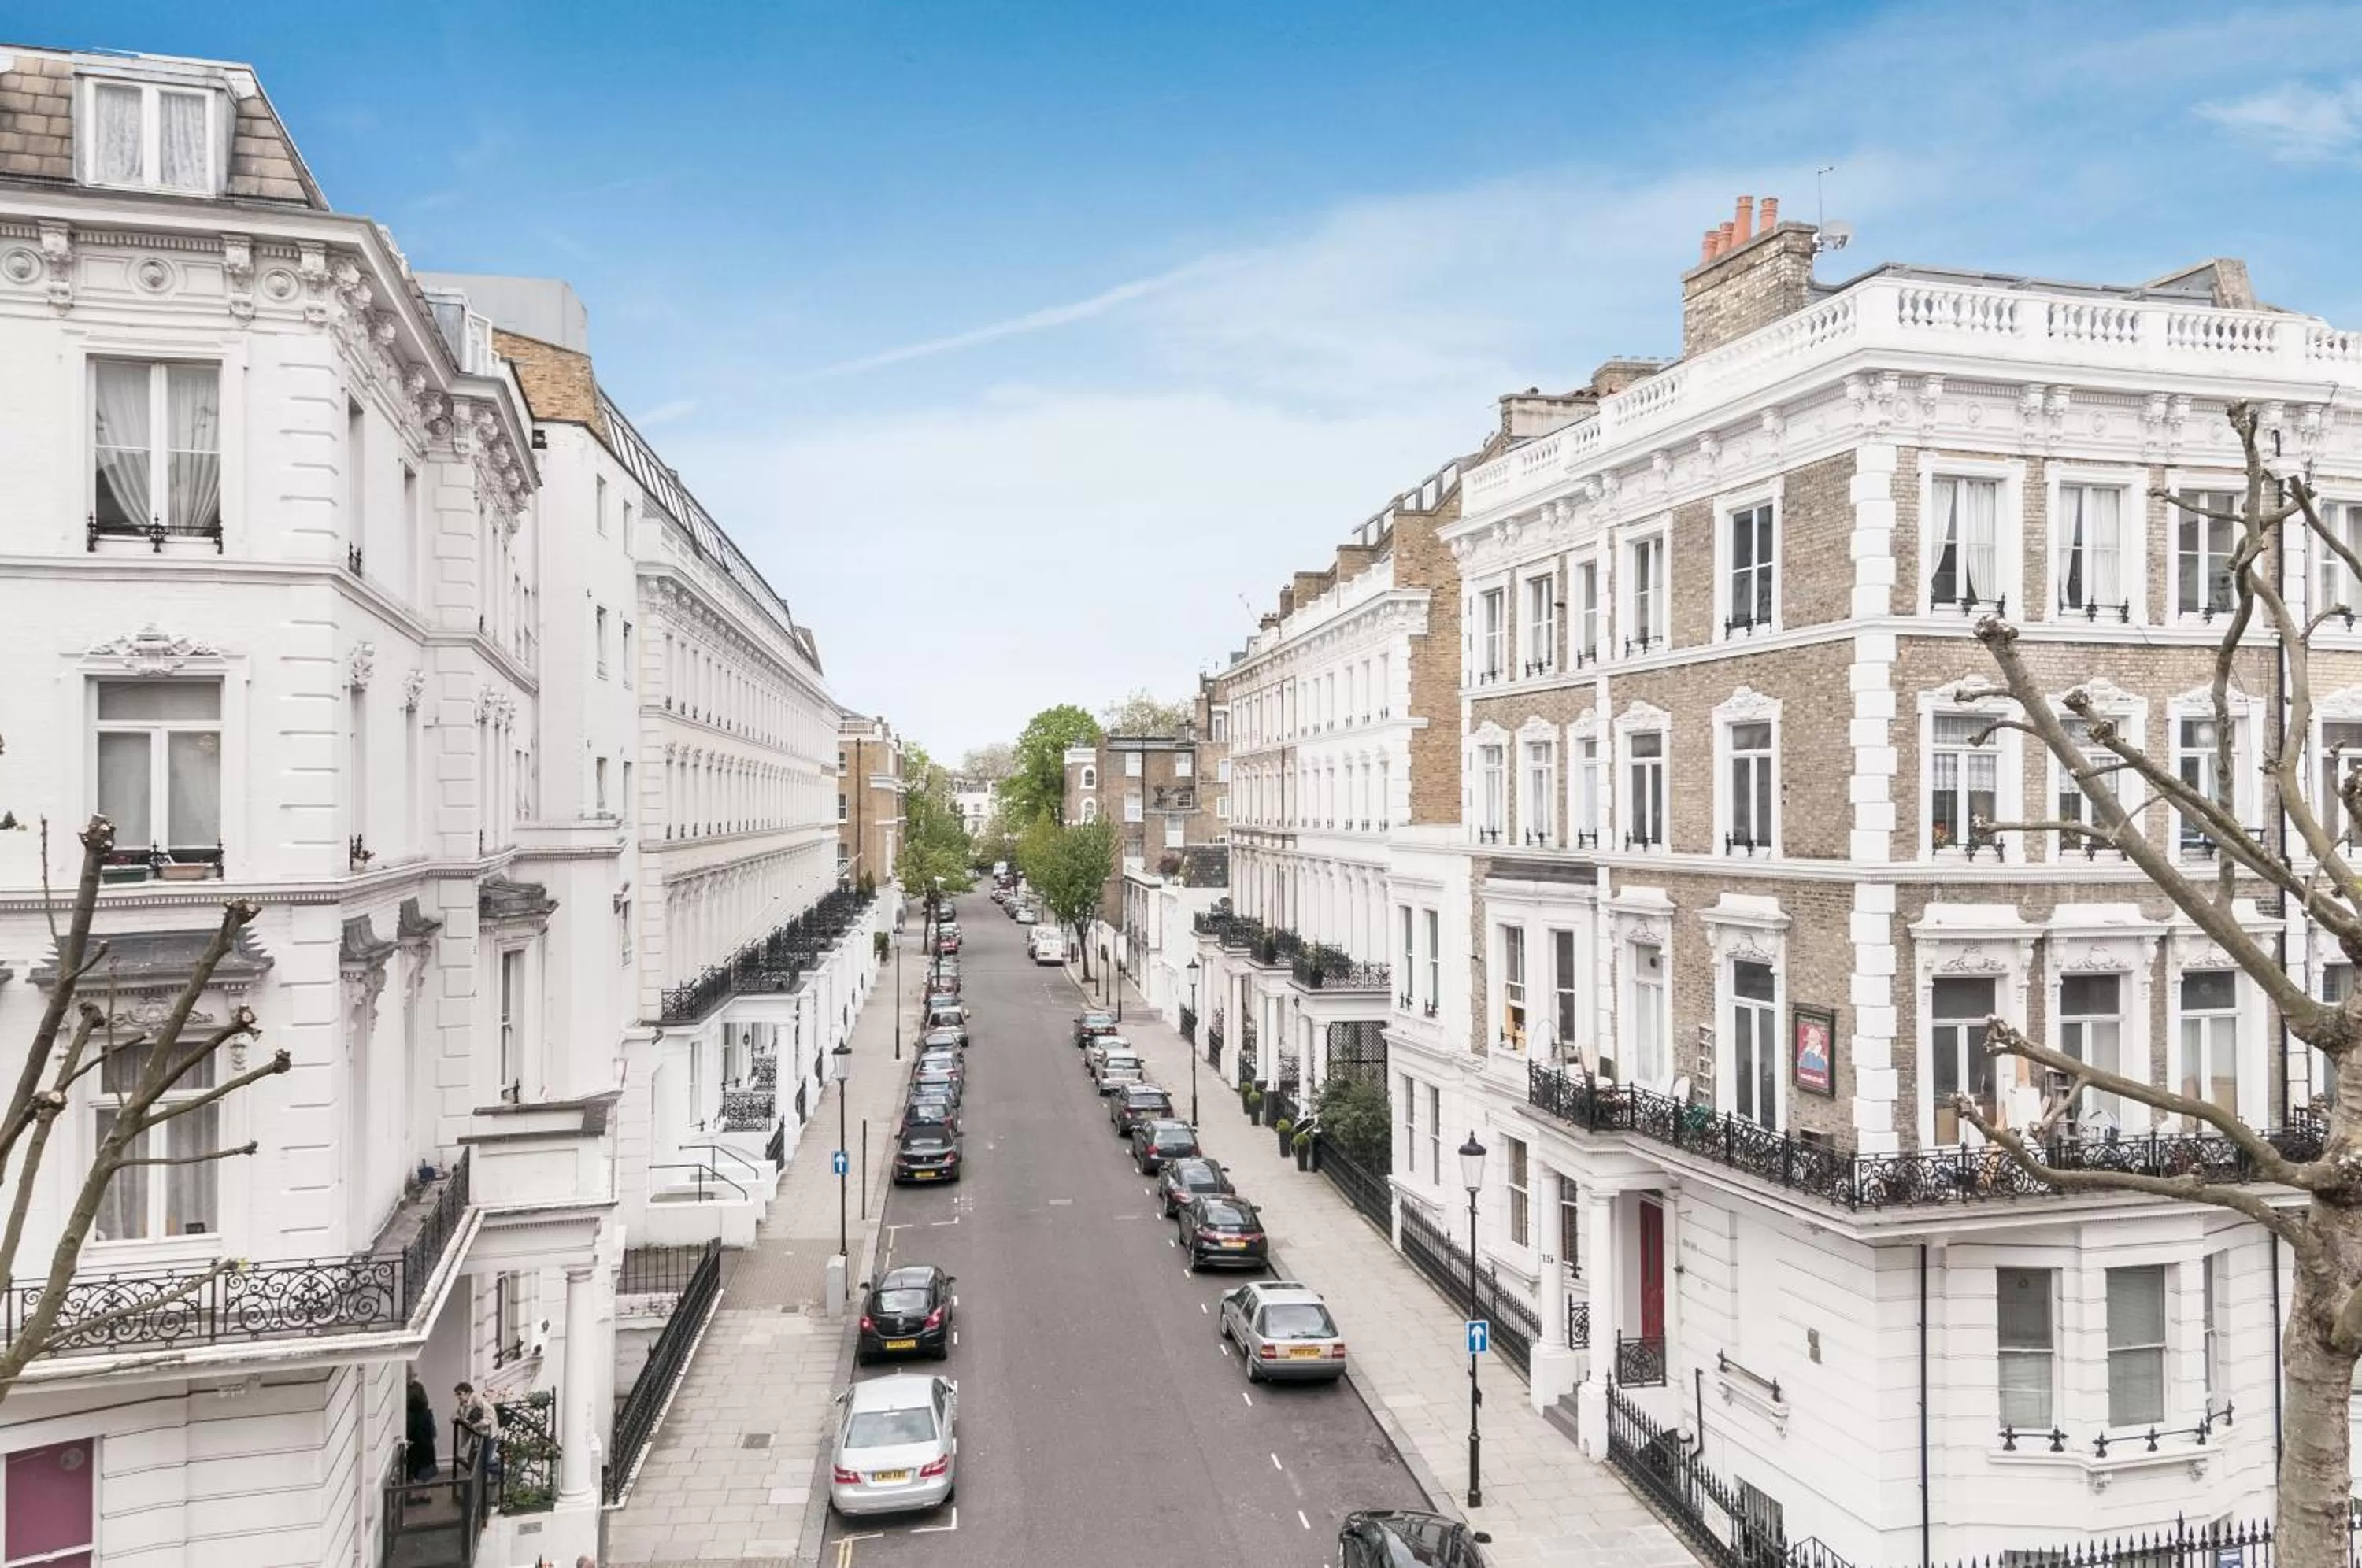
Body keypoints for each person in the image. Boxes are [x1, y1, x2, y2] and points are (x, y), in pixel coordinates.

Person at [454, 1381, 502, 1490]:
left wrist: (477, 1425)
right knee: (473, 1459)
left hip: (488, 1434)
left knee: (487, 1461)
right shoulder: (464, 1403)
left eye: (460, 1394)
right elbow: (461, 1414)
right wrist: (455, 1417)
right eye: (457, 1394)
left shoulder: (478, 1400)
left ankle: (502, 1472)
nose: (458, 1397)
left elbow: (490, 1416)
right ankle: (474, 1485)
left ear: (468, 1393)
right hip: (477, 1434)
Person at [404, 1378, 439, 1500]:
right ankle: (426, 1493)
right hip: (427, 1444)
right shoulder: (427, 1414)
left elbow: (409, 1431)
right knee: (426, 1468)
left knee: (411, 1468)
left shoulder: (408, 1416)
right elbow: (434, 1433)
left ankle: (412, 1494)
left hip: (413, 1443)